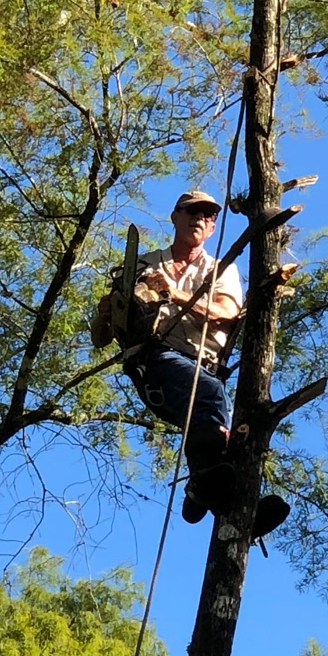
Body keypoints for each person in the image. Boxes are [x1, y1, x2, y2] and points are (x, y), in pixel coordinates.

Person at [128, 190, 244, 523]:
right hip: (155, 358)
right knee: (209, 395)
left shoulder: (219, 271)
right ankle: (208, 488)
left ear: (212, 229)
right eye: (192, 211)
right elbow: (106, 327)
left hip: (201, 365)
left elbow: (226, 313)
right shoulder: (145, 263)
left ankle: (216, 499)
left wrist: (174, 295)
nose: (199, 219)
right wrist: (111, 312)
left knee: (217, 429)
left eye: (208, 216)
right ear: (175, 216)